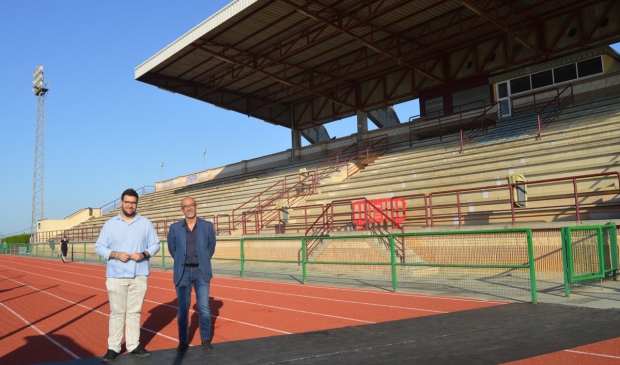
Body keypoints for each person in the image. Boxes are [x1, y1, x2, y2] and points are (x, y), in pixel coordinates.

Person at [95, 188, 160, 363]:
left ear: (136, 204)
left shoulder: (145, 223)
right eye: (127, 202)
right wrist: (115, 254)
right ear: (122, 202)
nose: (130, 205)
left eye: (133, 202)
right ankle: (113, 347)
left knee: (135, 312)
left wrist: (144, 254)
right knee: (117, 312)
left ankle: (133, 345)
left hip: (139, 274)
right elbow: (99, 247)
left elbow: (155, 244)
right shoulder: (110, 224)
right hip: (116, 275)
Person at [167, 197, 216, 352]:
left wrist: (203, 258)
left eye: (191, 205)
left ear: (196, 206)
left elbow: (211, 246)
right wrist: (182, 259)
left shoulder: (207, 226)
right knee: (182, 308)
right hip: (183, 272)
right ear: (182, 209)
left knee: (204, 307)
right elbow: (172, 249)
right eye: (185, 206)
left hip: (202, 271)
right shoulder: (174, 228)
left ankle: (205, 339)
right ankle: (183, 341)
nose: (188, 208)